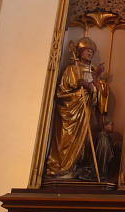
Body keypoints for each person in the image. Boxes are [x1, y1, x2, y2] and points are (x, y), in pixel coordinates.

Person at [46, 37, 108, 177]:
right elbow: (61, 92)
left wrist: (93, 84)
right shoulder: (71, 69)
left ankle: (78, 167)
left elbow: (97, 95)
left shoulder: (92, 70)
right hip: (70, 113)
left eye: (92, 52)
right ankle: (62, 167)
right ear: (79, 52)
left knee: (85, 140)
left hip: (86, 112)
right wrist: (79, 89)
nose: (90, 53)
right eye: (87, 51)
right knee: (66, 138)